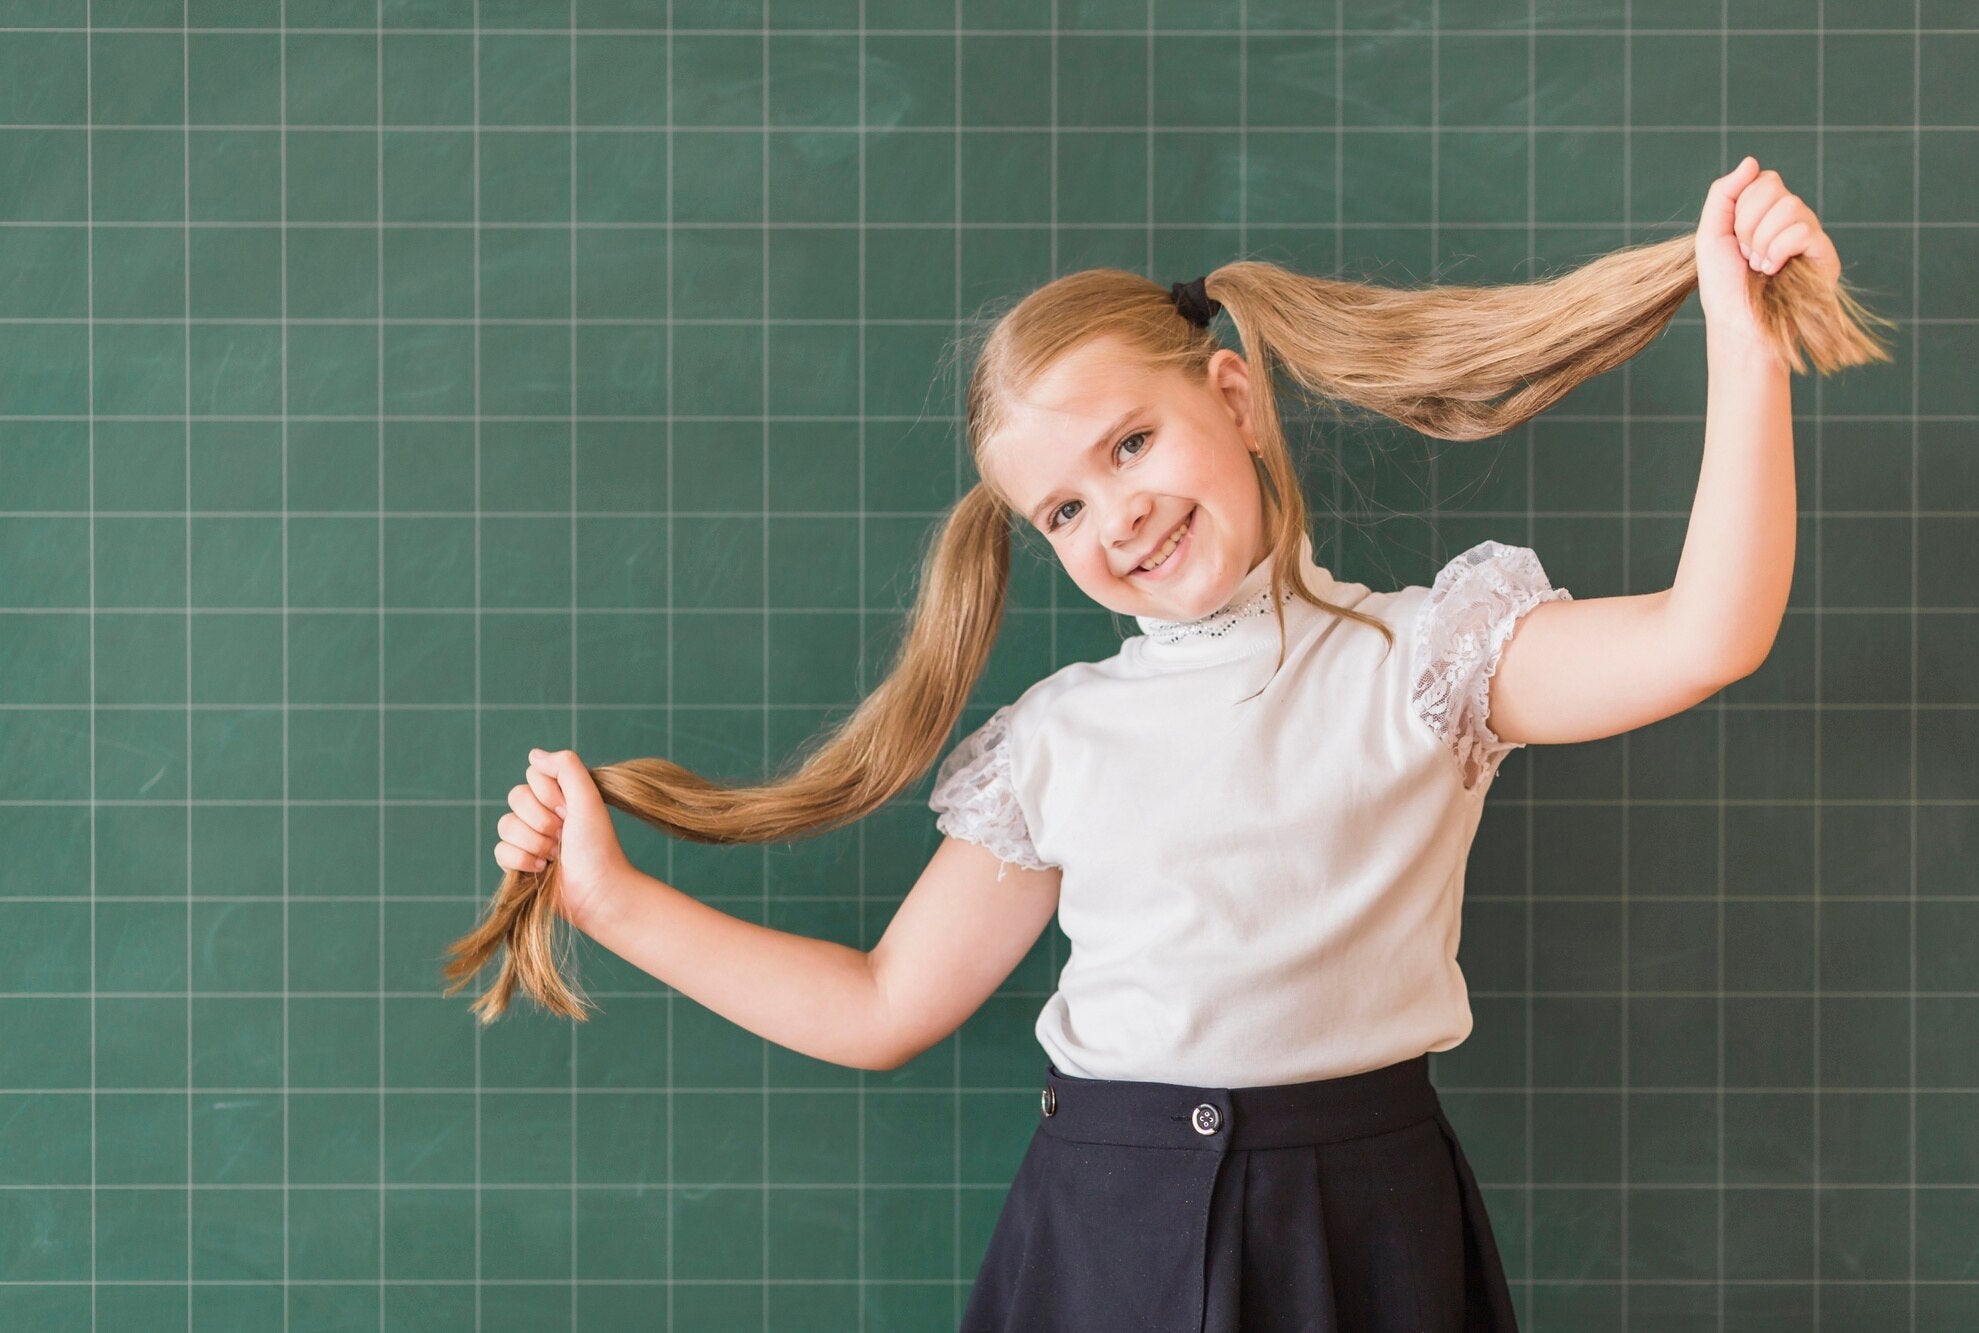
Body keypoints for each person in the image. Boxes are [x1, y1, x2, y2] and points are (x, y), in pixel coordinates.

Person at [456, 157, 1887, 1330]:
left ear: (1232, 395)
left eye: (1129, 445)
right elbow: (882, 1001)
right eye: (1063, 511)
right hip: (1101, 1233)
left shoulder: (1429, 658)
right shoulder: (1055, 744)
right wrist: (612, 900)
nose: (1114, 516)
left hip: (1364, 1237)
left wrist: (1739, 341)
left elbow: (1712, 632)